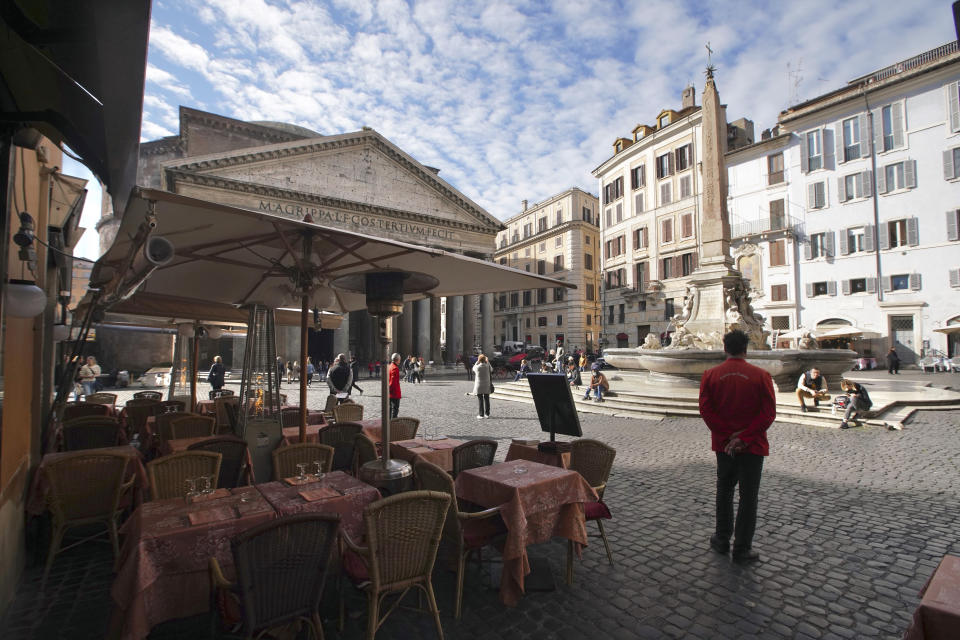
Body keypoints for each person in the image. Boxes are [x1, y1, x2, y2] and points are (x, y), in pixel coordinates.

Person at [699, 329, 777, 564]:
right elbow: (768, 413)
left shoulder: (710, 375)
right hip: (752, 447)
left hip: (724, 447)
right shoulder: (761, 375)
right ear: (746, 348)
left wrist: (726, 437)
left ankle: (721, 538)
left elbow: (706, 410)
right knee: (748, 497)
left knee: (724, 492)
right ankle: (742, 548)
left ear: (725, 348)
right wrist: (745, 437)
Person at [472, 354, 493, 419]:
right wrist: (488, 361)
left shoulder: (477, 367)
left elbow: (473, 368)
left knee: (480, 400)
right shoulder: (487, 366)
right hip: (487, 385)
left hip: (479, 385)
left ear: (479, 360)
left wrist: (477, 361)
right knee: (487, 399)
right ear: (485, 360)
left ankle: (481, 415)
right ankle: (487, 414)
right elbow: (491, 369)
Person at [388, 353, 402, 418]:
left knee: (390, 408)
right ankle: (393, 423)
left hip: (391, 392)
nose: (400, 361)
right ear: (398, 360)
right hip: (394, 393)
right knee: (395, 409)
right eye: (399, 360)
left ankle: (390, 421)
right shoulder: (395, 368)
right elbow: (393, 382)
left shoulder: (390, 366)